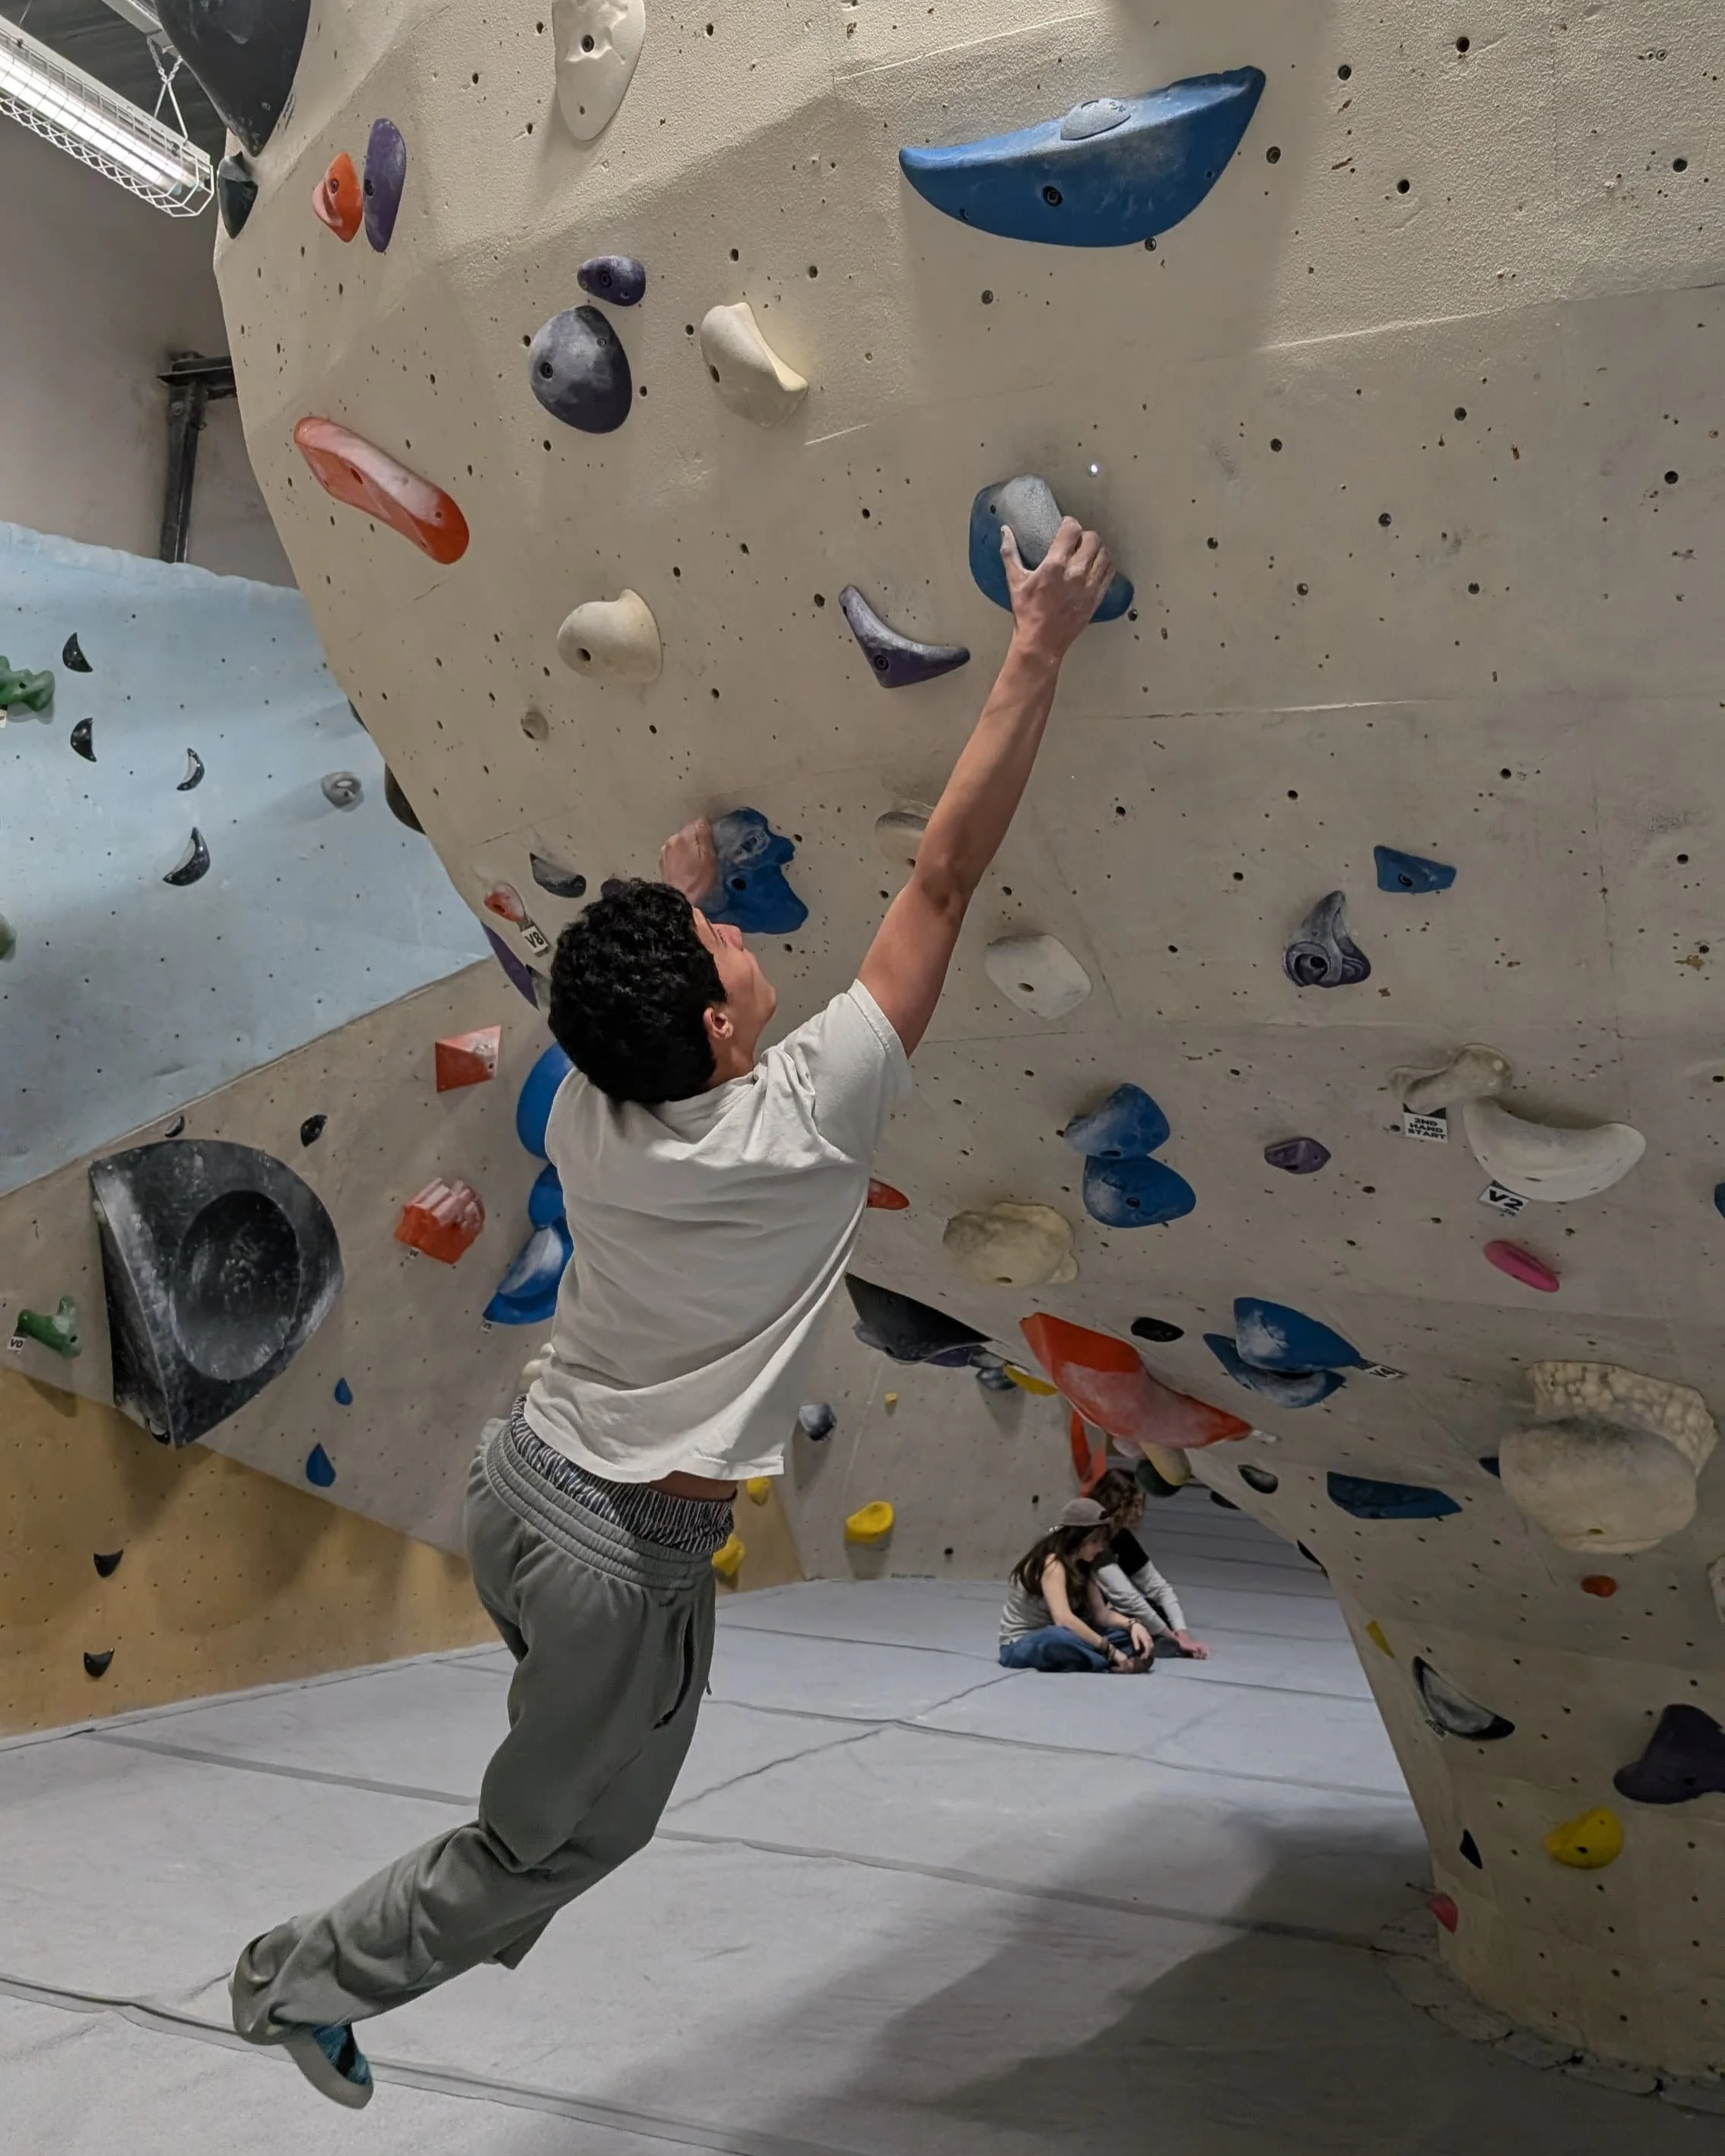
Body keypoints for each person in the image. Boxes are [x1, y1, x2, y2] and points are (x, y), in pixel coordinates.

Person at [228, 515, 1117, 2108]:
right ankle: (296, 1978)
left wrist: (666, 884)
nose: (746, 939)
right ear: (716, 1027)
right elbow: (946, 873)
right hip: (604, 1556)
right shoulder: (809, 1113)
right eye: (727, 943)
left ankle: (339, 1964)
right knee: (544, 1841)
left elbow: (617, 998)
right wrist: (1037, 643)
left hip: (546, 1502)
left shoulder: (601, 1103)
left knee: (608, 1827)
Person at [998, 1496, 1156, 1672]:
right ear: (1077, 1538)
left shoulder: (1083, 1563)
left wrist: (1133, 1624)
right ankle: (1109, 1661)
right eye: (1095, 1542)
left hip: (1067, 1635)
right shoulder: (1052, 1563)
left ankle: (1109, 1658)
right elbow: (1063, 1619)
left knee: (1128, 1636)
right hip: (1023, 1643)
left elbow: (1101, 1614)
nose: (1100, 1548)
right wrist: (1109, 1649)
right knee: (1058, 1638)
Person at [1090, 1468, 1210, 1660]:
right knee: (1137, 1627)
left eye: (1141, 1505)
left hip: (1105, 1610)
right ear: (1116, 1505)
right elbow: (1126, 1596)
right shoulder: (1093, 1539)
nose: (1139, 1513)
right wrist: (1175, 1639)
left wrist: (1182, 1632)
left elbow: (1158, 1586)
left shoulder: (1120, 1536)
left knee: (1158, 1614)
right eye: (1134, 1505)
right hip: (1081, 1615)